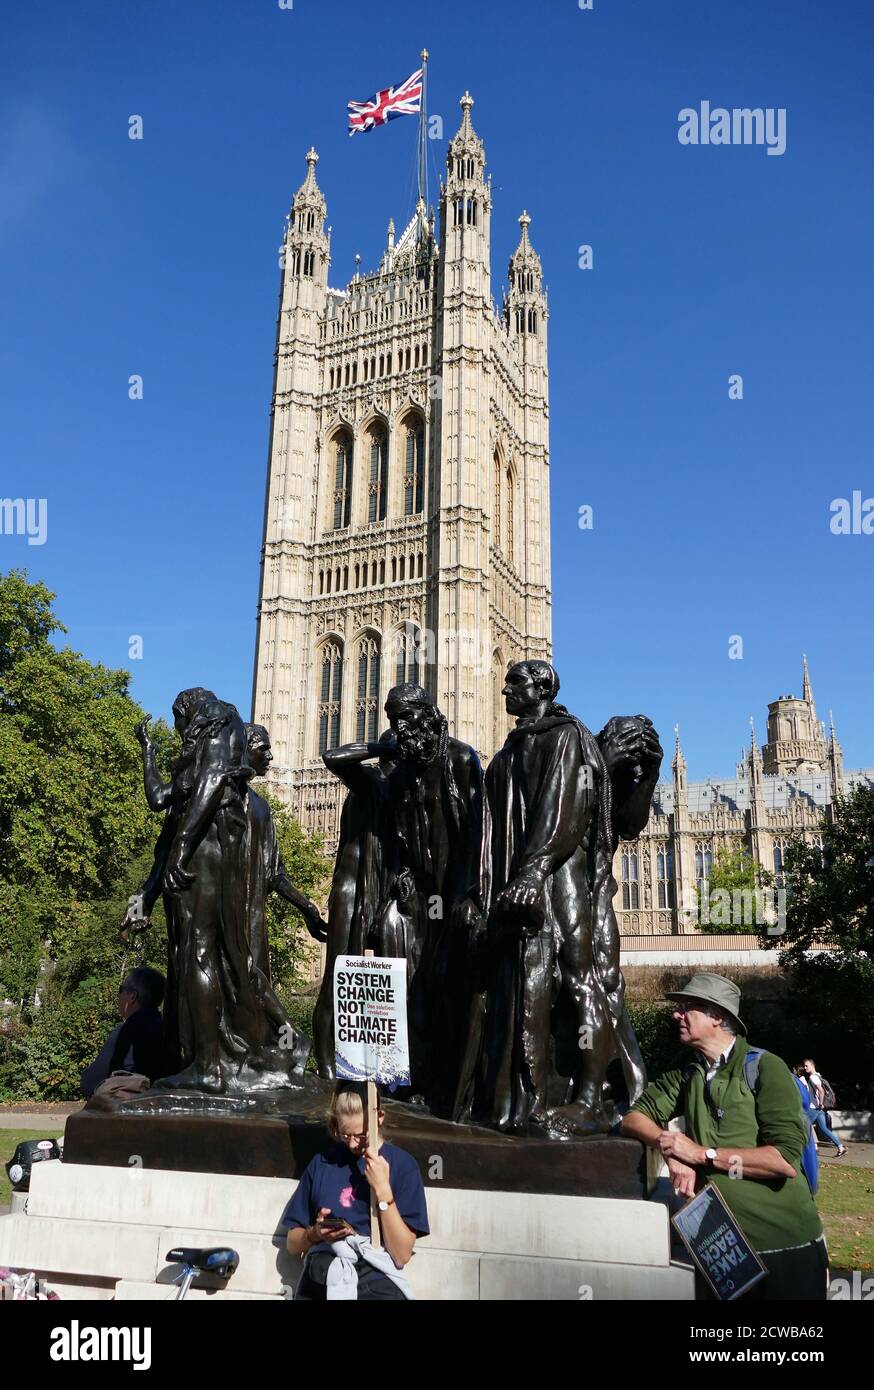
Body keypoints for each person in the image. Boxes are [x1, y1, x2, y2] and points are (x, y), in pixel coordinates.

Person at [455, 660, 662, 1136]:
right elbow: (487, 831)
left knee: (578, 979)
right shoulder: (509, 752)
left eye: (516, 683)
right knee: (523, 987)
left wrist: (535, 867)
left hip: (560, 875)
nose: (505, 690)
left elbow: (565, 807)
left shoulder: (567, 736)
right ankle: (523, 1094)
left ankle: (589, 1098)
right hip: (519, 884)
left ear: (542, 687)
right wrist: (474, 892)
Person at [320, 685, 483, 1114]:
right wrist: (382, 744)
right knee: (405, 986)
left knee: (450, 989)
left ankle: (447, 1091)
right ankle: (397, 1082)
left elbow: (478, 835)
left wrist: (469, 893)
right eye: (394, 719)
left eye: (408, 718)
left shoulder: (462, 760)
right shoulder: (399, 775)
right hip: (413, 897)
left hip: (452, 896)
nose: (402, 727)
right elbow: (334, 759)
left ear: (430, 716)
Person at [621, 973, 828, 1301]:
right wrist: (671, 1148)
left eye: (688, 1007)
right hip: (717, 1245)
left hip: (782, 1246)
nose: (677, 1014)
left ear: (717, 1016)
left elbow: (783, 1160)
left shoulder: (765, 1067)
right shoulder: (689, 1074)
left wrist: (702, 1154)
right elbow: (632, 1118)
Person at [285, 1085, 429, 1300]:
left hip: (374, 1277)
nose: (352, 1143)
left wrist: (382, 1190)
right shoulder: (323, 1163)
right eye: (345, 1134)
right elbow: (292, 1244)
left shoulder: (402, 1166)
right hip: (324, 1272)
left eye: (360, 1136)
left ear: (379, 1118)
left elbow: (401, 1255)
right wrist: (315, 1233)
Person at [80, 967, 167, 1098]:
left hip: (131, 1111)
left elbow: (90, 1083)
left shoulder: (126, 1033)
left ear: (132, 996)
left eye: (121, 990)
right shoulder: (167, 1030)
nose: (119, 995)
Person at [800, 1058, 846, 1156]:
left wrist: (821, 1103)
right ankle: (841, 1147)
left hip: (815, 1108)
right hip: (819, 1109)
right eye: (804, 1066)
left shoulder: (813, 1077)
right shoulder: (819, 1075)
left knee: (802, 1126)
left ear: (812, 1065)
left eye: (806, 1066)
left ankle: (805, 1150)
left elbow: (821, 1090)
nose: (805, 1067)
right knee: (824, 1129)